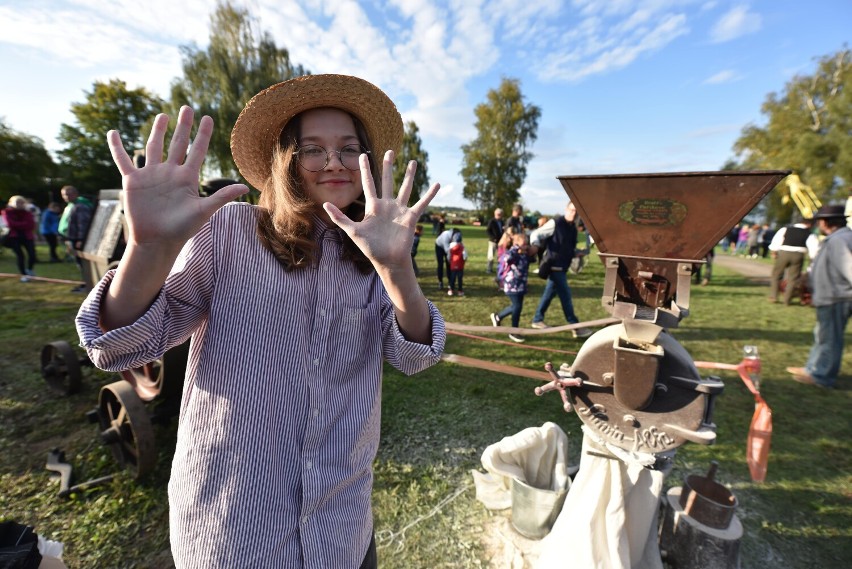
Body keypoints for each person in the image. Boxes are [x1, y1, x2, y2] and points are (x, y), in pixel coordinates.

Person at [74, 74, 446, 568]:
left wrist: (397, 272)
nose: (333, 161)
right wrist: (148, 250)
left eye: (348, 148)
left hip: (340, 529)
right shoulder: (230, 231)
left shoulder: (377, 245)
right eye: (312, 149)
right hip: (234, 528)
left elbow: (413, 355)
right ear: (287, 161)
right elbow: (122, 347)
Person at [786, 205, 851, 388]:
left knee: (829, 338)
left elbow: (849, 268)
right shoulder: (838, 238)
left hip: (837, 296)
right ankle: (812, 368)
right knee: (822, 335)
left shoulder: (840, 240)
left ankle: (822, 376)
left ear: (825, 222)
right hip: (832, 295)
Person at [529, 202, 591, 338]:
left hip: (563, 266)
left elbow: (567, 248)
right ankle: (575, 326)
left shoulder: (573, 229)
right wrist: (535, 245)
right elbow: (536, 234)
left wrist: (577, 253)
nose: (573, 213)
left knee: (549, 294)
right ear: (566, 209)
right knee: (566, 297)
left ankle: (537, 319)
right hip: (553, 266)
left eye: (576, 211)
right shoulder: (555, 222)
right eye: (571, 210)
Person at [490, 231, 533, 343]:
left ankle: (499, 317)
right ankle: (513, 331)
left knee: (517, 308)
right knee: (516, 306)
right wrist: (516, 248)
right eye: (523, 243)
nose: (525, 245)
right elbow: (506, 258)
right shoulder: (512, 254)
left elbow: (533, 259)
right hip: (511, 286)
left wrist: (529, 249)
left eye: (526, 243)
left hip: (521, 286)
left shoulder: (524, 255)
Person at [767, 215, 819, 304]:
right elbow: (814, 248)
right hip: (798, 255)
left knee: (776, 275)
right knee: (793, 278)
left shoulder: (786, 229)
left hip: (783, 253)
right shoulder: (809, 233)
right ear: (809, 224)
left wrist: (774, 252)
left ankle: (774, 296)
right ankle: (787, 300)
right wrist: (812, 259)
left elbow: (776, 241)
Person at [58, 185, 94, 292]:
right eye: (64, 195)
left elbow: (82, 224)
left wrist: (80, 239)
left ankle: (88, 284)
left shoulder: (81, 206)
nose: (66, 197)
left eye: (69, 194)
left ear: (75, 194)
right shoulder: (71, 205)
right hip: (71, 238)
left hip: (78, 240)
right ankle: (86, 282)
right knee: (79, 263)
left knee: (83, 263)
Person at [2, 195, 37, 282]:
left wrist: (17, 225)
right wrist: (23, 224)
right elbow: (10, 224)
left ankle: (29, 270)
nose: (19, 204)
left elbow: (30, 225)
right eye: (17, 202)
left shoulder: (27, 213)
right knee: (20, 255)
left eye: (21, 202)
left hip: (27, 236)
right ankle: (24, 274)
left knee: (32, 254)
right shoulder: (7, 212)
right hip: (14, 236)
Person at [434, 226, 459, 290]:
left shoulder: (457, 236)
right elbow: (447, 250)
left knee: (449, 265)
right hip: (439, 246)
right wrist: (450, 259)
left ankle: (450, 282)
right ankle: (440, 282)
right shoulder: (446, 235)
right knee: (440, 264)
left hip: (447, 247)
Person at [447, 230, 467, 296]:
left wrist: (450, 261)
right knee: (460, 278)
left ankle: (451, 290)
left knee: (452, 278)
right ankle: (460, 291)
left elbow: (448, 256)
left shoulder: (450, 247)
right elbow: (465, 256)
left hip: (453, 265)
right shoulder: (462, 247)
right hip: (460, 265)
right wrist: (464, 260)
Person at [485, 208, 504, 273]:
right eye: (498, 214)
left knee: (501, 256)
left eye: (501, 214)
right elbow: (488, 230)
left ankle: (499, 269)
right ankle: (489, 269)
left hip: (501, 241)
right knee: (491, 256)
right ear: (495, 214)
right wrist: (493, 238)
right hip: (493, 241)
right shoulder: (492, 221)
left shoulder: (502, 222)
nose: (499, 216)